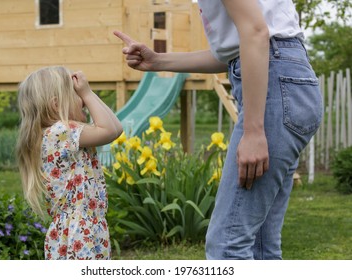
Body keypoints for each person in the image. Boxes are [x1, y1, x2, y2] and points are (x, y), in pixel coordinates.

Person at [114, 0, 322, 260]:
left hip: (275, 86)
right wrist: (158, 61)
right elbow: (232, 52)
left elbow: (256, 33)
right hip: (287, 81)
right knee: (260, 246)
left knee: (227, 245)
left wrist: (255, 130)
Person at [16, 66, 123, 260]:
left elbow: (116, 128)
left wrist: (87, 93)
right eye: (76, 94)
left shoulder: (60, 134)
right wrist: (88, 92)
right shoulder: (61, 132)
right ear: (56, 105)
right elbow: (110, 131)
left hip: (82, 228)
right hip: (78, 232)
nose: (82, 99)